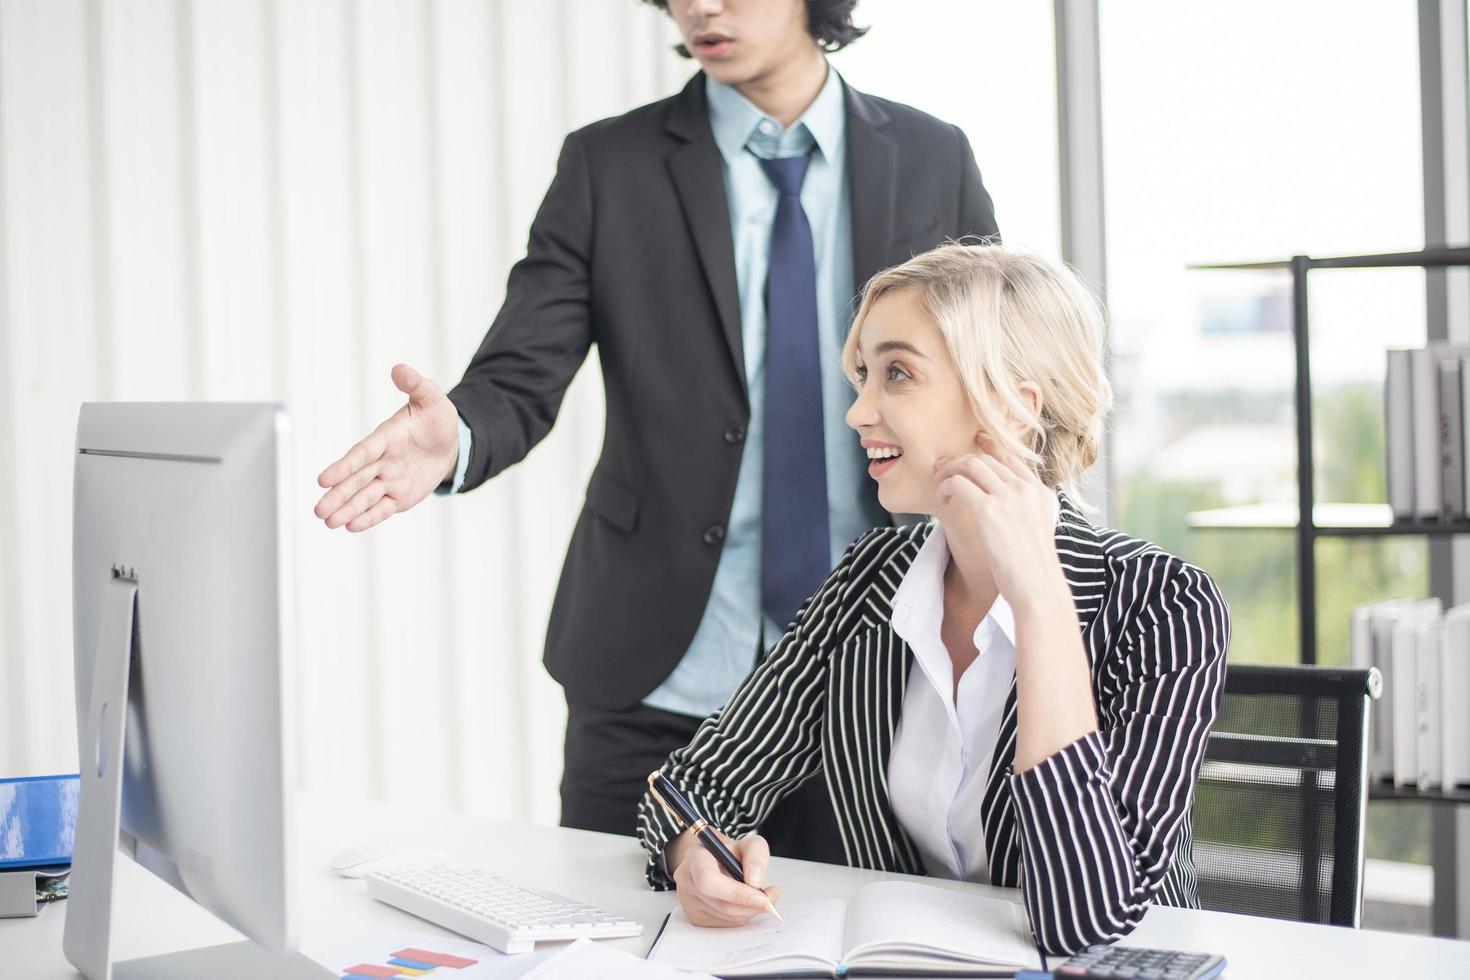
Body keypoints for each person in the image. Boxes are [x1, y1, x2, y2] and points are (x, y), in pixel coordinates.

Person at [313, 0, 999, 848]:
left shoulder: (933, 159)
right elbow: (521, 375)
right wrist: (458, 434)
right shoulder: (611, 164)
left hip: (876, 678)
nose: (699, 7)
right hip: (654, 676)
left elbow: (989, 382)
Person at [635, 243, 1231, 956]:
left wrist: (1041, 601)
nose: (858, 412)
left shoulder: (1164, 606)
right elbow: (695, 786)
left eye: (897, 374)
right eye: (863, 376)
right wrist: (693, 855)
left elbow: (1089, 920)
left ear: (1013, 409)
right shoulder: (868, 579)